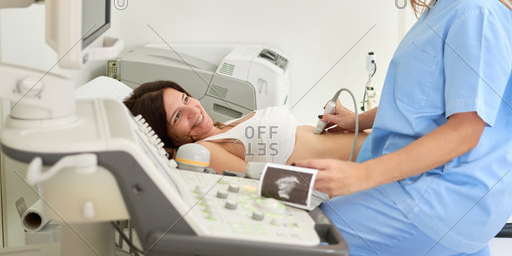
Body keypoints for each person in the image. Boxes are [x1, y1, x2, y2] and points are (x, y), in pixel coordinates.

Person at [293, 0, 512, 256]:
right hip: (440, 196)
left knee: (303, 239)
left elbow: (464, 131)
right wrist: (360, 121)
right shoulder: (449, 3)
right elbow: (424, 98)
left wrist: (359, 176)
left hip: (441, 197)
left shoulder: (477, 12)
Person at [123, 80, 368, 175]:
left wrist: (356, 122)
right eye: (178, 116)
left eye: (186, 99)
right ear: (166, 137)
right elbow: (261, 185)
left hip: (371, 145)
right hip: (365, 165)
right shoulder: (206, 151)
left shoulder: (223, 127)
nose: (193, 110)